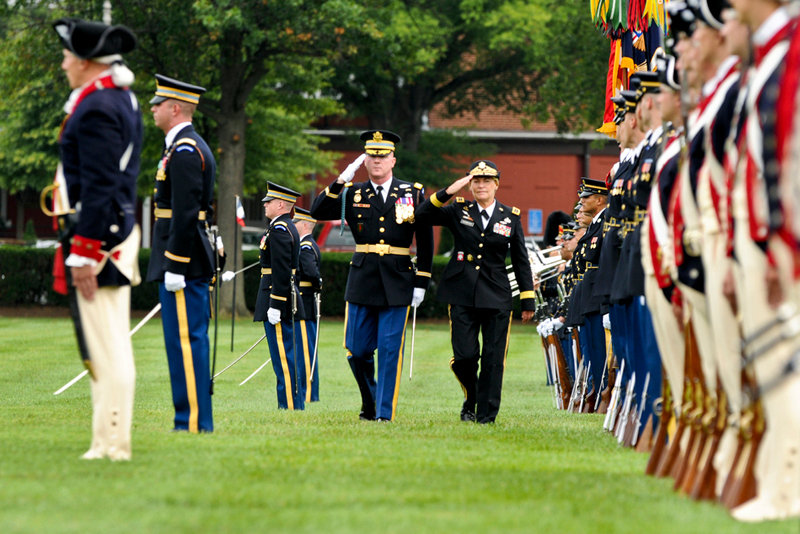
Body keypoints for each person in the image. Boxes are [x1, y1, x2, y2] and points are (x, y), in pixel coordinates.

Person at [53, 17, 143, 460]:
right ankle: (104, 440)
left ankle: (112, 444)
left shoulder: (98, 107)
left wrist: (85, 251)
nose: (64, 64)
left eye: (68, 56)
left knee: (108, 346)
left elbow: (101, 184)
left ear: (87, 62)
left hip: (102, 239)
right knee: (105, 344)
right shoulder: (113, 98)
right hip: (109, 232)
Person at [310, 130, 434, 422]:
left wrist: (422, 281)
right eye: (371, 156)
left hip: (398, 279)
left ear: (393, 160)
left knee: (390, 350)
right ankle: (371, 401)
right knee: (356, 349)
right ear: (364, 161)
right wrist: (341, 180)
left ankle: (383, 413)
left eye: (382, 156)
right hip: (363, 279)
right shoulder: (352, 193)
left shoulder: (412, 193)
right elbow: (317, 211)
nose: (377, 161)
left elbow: (426, 239)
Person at [416, 160, 535, 423]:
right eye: (476, 181)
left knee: (493, 359)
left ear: (496, 185)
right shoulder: (458, 210)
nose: (481, 186)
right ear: (469, 186)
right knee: (465, 357)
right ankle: (472, 397)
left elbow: (520, 260)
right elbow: (421, 215)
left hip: (497, 294)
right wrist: (449, 191)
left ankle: (486, 416)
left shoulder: (510, 216)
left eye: (486, 181)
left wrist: (527, 299)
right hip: (461, 292)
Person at [146, 74, 217, 433]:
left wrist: (174, 264)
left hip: (183, 263)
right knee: (182, 342)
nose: (153, 109)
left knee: (186, 342)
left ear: (175, 109)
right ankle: (189, 418)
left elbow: (187, 212)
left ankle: (191, 421)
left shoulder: (186, 149)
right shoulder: (180, 146)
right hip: (184, 259)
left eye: (158, 104)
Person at [253, 183, 306, 410]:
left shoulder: (280, 229)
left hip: (277, 298)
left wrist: (275, 304)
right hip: (280, 296)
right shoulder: (282, 227)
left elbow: (282, 270)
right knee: (284, 356)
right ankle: (290, 404)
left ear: (281, 204)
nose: (265, 204)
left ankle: (290, 405)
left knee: (283, 357)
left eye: (269, 201)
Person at [293, 207, 323, 403]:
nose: (293, 226)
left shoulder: (305, 247)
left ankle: (308, 393)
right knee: (304, 349)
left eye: (296, 223)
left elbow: (311, 273)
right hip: (305, 302)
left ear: (305, 225)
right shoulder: (307, 245)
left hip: (304, 303)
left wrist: (317, 283)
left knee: (305, 351)